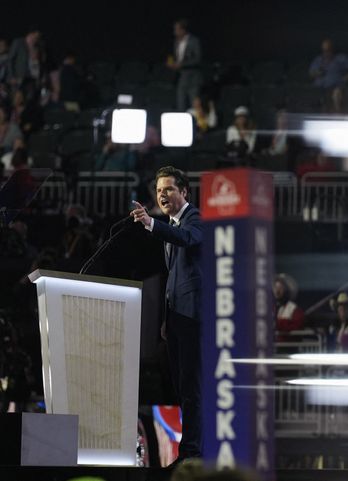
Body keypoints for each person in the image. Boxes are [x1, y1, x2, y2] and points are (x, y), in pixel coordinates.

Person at [130, 166, 203, 463]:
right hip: (175, 319)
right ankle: (191, 448)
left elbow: (188, 238)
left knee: (192, 387)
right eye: (159, 190)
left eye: (169, 189)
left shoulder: (194, 218)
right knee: (182, 387)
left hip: (193, 318)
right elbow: (173, 277)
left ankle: (193, 452)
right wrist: (164, 319)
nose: (162, 194)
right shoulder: (172, 227)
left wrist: (151, 224)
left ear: (184, 192)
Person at [309, 39, 348, 113]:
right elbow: (311, 73)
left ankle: (337, 113)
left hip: (335, 88)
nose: (326, 53)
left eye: (328, 50)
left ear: (332, 49)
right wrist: (317, 73)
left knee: (336, 94)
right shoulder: (318, 60)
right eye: (324, 51)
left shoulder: (340, 59)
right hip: (319, 89)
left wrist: (347, 76)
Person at [168, 19, 203, 111]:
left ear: (183, 30)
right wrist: (174, 65)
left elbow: (197, 59)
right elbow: (178, 58)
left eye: (177, 29)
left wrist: (181, 65)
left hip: (193, 79)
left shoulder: (194, 41)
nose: (175, 32)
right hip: (181, 78)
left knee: (195, 106)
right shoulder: (176, 42)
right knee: (181, 105)